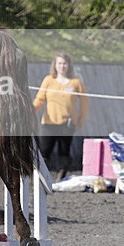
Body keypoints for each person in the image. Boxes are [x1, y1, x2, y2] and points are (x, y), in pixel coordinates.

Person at [32, 52, 89, 180]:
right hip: (49, 123)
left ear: (69, 65)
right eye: (59, 63)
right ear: (55, 65)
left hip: (67, 124)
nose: (62, 66)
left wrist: (80, 120)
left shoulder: (75, 82)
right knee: (44, 151)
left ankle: (60, 177)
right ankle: (42, 177)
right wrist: (30, 111)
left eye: (64, 63)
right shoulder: (48, 80)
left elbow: (84, 101)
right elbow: (40, 99)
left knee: (64, 152)